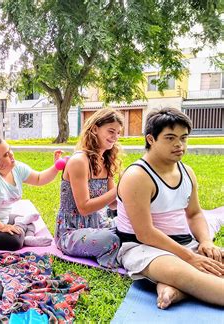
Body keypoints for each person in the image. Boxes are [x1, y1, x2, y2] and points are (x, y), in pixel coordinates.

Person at [116, 107, 224, 309]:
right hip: (144, 248)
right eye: (170, 138)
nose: (179, 145)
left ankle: (174, 290)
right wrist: (191, 258)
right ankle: (177, 284)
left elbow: (194, 214)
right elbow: (145, 233)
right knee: (200, 278)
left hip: (184, 243)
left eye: (184, 138)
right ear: (151, 139)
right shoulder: (137, 176)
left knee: (214, 264)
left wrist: (206, 241)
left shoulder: (187, 172)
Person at [0, 134, 63, 251]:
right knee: (14, 242)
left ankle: (27, 237)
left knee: (30, 222)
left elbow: (39, 179)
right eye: (5, 155)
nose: (11, 155)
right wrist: (2, 227)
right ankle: (23, 236)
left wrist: (56, 167)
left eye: (9, 150)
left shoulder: (16, 167)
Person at [54, 108, 123, 268]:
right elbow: (84, 208)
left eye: (118, 133)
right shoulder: (79, 161)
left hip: (100, 225)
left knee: (137, 228)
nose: (115, 137)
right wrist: (118, 189)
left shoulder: (106, 161)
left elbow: (112, 204)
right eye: (111, 131)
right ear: (94, 129)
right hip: (72, 232)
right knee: (111, 240)